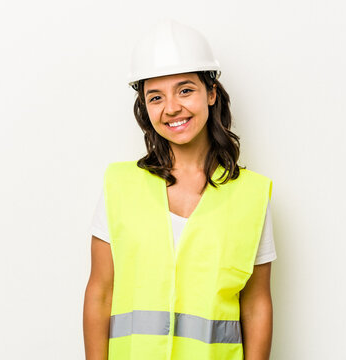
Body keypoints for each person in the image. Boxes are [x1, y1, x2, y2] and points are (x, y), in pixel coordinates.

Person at [83, 20, 275, 360]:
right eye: (156, 96)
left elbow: (257, 303)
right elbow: (100, 293)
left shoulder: (252, 196)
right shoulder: (119, 186)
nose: (171, 107)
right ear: (145, 106)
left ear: (211, 93)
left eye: (185, 90)